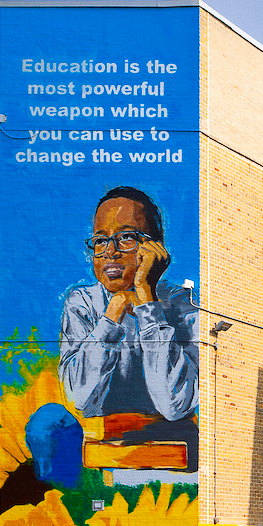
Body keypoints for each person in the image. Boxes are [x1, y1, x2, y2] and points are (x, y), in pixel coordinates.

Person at [58, 186, 198, 464]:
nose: (109, 252)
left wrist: (147, 302)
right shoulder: (82, 303)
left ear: (154, 249)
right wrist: (112, 317)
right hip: (101, 451)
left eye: (126, 238)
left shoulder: (182, 305)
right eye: (100, 240)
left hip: (176, 451)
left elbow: (173, 404)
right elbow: (80, 400)